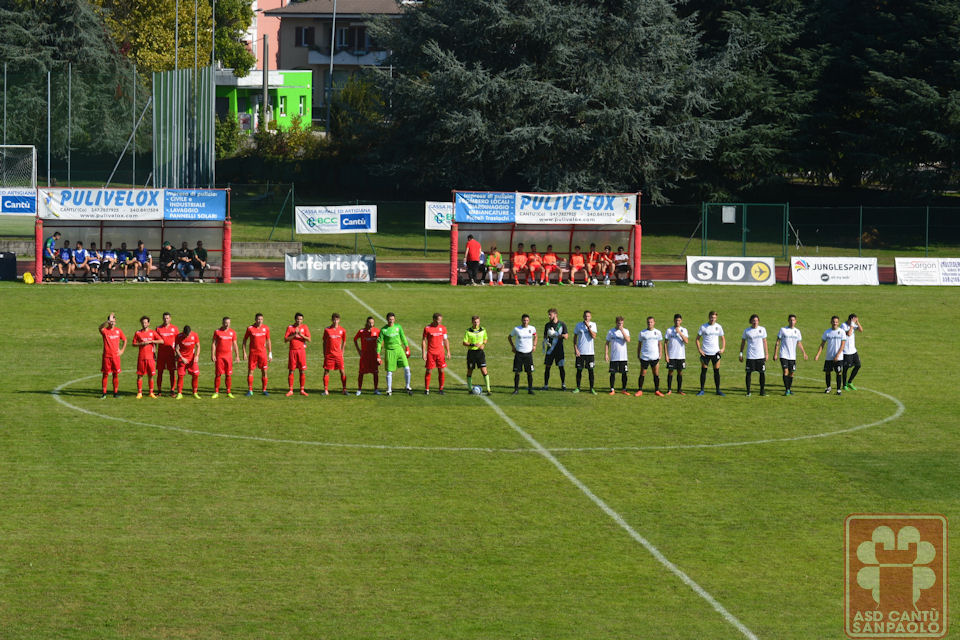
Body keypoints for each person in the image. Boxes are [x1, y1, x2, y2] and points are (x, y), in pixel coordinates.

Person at [377, 312, 412, 396]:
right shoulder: (383, 330)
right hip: (389, 351)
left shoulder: (398, 327)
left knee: (407, 368)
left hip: (399, 350)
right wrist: (378, 354)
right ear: (387, 319)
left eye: (392, 319)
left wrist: (407, 347)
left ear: (394, 319)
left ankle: (407, 386)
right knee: (389, 372)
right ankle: (389, 390)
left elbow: (403, 336)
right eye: (389, 319)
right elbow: (379, 342)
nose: (391, 321)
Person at [773, 314, 807, 396]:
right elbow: (778, 342)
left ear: (796, 321)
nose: (792, 322)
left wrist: (804, 353)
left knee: (791, 373)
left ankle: (789, 388)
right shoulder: (783, 330)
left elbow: (799, 343)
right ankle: (787, 389)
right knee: (785, 371)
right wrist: (775, 354)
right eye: (790, 320)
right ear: (788, 321)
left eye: (793, 320)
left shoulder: (797, 331)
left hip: (792, 356)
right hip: (784, 354)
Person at [696, 310, 726, 396]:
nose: (713, 319)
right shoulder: (703, 327)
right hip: (705, 353)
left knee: (716, 371)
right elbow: (697, 339)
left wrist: (723, 348)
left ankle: (718, 390)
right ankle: (702, 390)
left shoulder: (719, 327)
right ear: (709, 317)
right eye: (711, 317)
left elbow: (723, 338)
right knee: (703, 371)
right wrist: (700, 350)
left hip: (715, 352)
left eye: (714, 318)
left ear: (716, 318)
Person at [815, 316, 846, 395]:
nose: (835, 323)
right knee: (827, 372)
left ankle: (838, 390)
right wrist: (818, 355)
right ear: (831, 322)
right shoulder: (827, 332)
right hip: (829, 357)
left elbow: (842, 345)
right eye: (833, 321)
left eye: (836, 322)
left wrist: (837, 355)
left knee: (838, 372)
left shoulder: (842, 332)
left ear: (838, 323)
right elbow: (822, 345)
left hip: (838, 358)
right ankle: (828, 387)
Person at [242, 312, 272, 396]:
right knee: (251, 372)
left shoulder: (266, 328)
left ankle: (264, 390)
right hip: (253, 354)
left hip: (263, 354)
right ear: (255, 320)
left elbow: (268, 340)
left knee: (264, 372)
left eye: (261, 319)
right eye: (258, 319)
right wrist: (244, 352)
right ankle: (250, 390)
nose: (260, 321)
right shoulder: (250, 328)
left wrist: (270, 353)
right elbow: (244, 340)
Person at [133, 315, 162, 399]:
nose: (144, 324)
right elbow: (134, 343)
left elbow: (161, 341)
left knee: (151, 375)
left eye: (146, 322)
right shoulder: (138, 333)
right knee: (140, 375)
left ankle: (151, 392)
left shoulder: (152, 333)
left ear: (148, 323)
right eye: (143, 322)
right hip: (141, 357)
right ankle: (139, 393)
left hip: (151, 358)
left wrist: (152, 341)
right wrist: (141, 344)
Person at [739, 314, 769, 396]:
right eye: (753, 320)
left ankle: (762, 391)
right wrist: (741, 353)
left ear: (758, 321)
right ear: (751, 321)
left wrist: (766, 353)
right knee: (748, 373)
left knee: (762, 373)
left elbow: (765, 342)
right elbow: (743, 342)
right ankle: (748, 392)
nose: (755, 322)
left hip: (760, 356)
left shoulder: (762, 329)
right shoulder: (747, 331)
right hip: (750, 356)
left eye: (756, 320)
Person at [211, 316, 240, 399]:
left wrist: (237, 355)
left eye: (228, 323)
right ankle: (216, 392)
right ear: (222, 323)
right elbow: (213, 343)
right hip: (219, 356)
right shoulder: (217, 332)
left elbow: (235, 344)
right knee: (218, 374)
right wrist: (212, 354)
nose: (227, 324)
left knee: (228, 374)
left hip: (228, 357)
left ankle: (228, 391)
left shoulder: (232, 332)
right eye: (225, 323)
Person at [98, 312, 126, 398]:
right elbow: (100, 327)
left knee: (115, 374)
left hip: (116, 357)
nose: (112, 323)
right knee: (105, 374)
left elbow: (125, 340)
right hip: (107, 356)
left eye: (113, 321)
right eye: (111, 321)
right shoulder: (105, 331)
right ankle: (104, 393)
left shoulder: (118, 331)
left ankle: (115, 393)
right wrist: (107, 321)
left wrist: (122, 350)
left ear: (115, 321)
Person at [508, 313, 537, 394]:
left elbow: (535, 336)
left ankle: (530, 389)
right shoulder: (517, 329)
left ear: (529, 321)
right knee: (517, 372)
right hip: (519, 353)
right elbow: (509, 337)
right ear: (521, 320)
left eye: (527, 320)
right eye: (524, 320)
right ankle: (516, 389)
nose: (525, 322)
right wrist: (513, 347)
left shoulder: (532, 328)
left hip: (528, 354)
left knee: (529, 372)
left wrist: (534, 345)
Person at [422, 312, 451, 395]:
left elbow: (445, 340)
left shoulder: (443, 328)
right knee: (429, 371)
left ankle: (441, 389)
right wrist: (423, 353)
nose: (439, 322)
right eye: (438, 320)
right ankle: (427, 389)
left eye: (440, 320)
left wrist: (448, 351)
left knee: (441, 370)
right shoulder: (427, 328)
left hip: (440, 353)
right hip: (431, 353)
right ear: (433, 319)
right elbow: (424, 340)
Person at [284, 312, 311, 396]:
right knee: (291, 370)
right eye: (298, 319)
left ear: (302, 320)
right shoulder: (290, 327)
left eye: (301, 319)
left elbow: (309, 339)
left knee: (302, 370)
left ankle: (302, 390)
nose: (299, 321)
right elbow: (285, 340)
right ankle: (291, 390)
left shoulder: (305, 327)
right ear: (295, 319)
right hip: (292, 351)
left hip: (301, 351)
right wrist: (294, 335)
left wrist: (301, 335)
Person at [636, 316, 664, 396]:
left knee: (656, 374)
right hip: (645, 356)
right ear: (646, 323)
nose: (650, 324)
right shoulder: (642, 333)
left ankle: (657, 390)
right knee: (642, 373)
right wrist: (638, 355)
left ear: (654, 323)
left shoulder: (658, 332)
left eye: (651, 322)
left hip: (655, 356)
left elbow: (660, 344)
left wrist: (660, 354)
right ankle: (640, 390)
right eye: (648, 322)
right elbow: (639, 344)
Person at [541, 308, 568, 390]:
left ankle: (563, 385)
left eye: (550, 314)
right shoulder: (547, 325)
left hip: (559, 350)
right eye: (548, 314)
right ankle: (546, 385)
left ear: (555, 314)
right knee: (547, 367)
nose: (549, 316)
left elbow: (566, 336)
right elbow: (545, 336)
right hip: (550, 350)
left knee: (561, 367)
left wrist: (555, 334)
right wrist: (546, 341)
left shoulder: (562, 324)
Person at [353, 317, 382, 395]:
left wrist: (379, 350)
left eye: (372, 323)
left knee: (375, 373)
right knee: (361, 373)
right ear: (366, 323)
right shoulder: (361, 331)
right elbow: (355, 339)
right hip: (365, 356)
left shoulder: (377, 331)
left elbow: (381, 340)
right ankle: (359, 389)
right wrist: (359, 351)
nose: (371, 324)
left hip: (373, 355)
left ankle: (376, 389)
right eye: (369, 323)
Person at [463, 315, 491, 395]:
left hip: (480, 353)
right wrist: (472, 344)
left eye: (477, 322)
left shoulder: (483, 330)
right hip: (471, 353)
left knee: (484, 370)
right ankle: (470, 389)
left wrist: (483, 344)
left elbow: (485, 338)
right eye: (475, 322)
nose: (476, 323)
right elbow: (464, 342)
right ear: (472, 322)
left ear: (479, 322)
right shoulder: (468, 331)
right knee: (470, 371)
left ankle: (488, 390)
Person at [322, 312, 348, 395]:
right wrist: (324, 353)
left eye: (337, 320)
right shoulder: (327, 330)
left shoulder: (342, 330)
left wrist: (342, 352)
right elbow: (324, 342)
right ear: (332, 320)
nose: (335, 321)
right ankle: (326, 390)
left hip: (338, 355)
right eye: (334, 320)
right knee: (326, 371)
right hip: (329, 355)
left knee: (342, 371)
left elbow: (344, 341)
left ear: (339, 320)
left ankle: (344, 389)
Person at [573, 310, 598, 394]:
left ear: (590, 317)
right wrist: (575, 349)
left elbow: (594, 336)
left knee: (590, 370)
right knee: (579, 370)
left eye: (588, 316)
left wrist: (588, 327)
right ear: (583, 317)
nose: (587, 318)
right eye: (585, 316)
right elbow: (575, 337)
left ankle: (591, 388)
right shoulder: (578, 325)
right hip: (580, 352)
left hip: (590, 352)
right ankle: (578, 387)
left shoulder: (593, 325)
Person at [604, 316, 631, 395]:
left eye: (622, 323)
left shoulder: (626, 331)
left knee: (624, 373)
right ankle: (612, 389)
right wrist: (606, 354)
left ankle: (624, 389)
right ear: (616, 323)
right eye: (619, 323)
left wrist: (622, 330)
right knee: (613, 373)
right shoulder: (611, 331)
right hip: (614, 356)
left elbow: (628, 340)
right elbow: (607, 343)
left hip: (623, 357)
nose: (620, 325)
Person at [155, 312, 180, 396]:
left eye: (167, 318)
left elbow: (178, 342)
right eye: (164, 318)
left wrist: (177, 353)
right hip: (161, 354)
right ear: (162, 319)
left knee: (172, 372)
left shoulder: (175, 329)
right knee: (160, 372)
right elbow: (154, 342)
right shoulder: (158, 329)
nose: (166, 320)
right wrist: (153, 352)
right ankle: (159, 390)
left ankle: (172, 390)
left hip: (171, 354)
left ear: (170, 319)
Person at [174, 324, 201, 399]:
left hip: (192, 359)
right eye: (186, 335)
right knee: (181, 375)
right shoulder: (179, 336)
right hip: (182, 359)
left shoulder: (194, 335)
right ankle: (179, 393)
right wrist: (182, 358)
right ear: (183, 332)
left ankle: (195, 392)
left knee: (195, 374)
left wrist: (197, 356)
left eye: (188, 335)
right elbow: (176, 349)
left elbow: (198, 346)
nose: (187, 336)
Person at [664, 314, 688, 395]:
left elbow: (686, 341)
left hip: (680, 355)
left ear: (681, 321)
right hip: (671, 355)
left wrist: (679, 333)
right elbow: (665, 343)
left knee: (680, 372)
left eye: (679, 320)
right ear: (674, 320)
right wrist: (666, 355)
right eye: (676, 320)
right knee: (670, 372)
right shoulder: (669, 330)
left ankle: (679, 390)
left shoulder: (684, 330)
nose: (677, 322)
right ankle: (669, 389)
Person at [841, 313, 863, 391]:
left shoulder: (853, 325)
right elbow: (849, 334)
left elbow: (861, 330)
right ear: (850, 320)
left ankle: (849, 382)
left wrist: (857, 322)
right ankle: (844, 385)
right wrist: (852, 324)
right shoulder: (843, 325)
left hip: (853, 351)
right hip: (846, 352)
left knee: (858, 365)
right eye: (854, 320)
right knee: (846, 369)